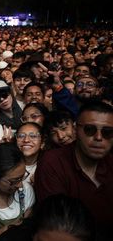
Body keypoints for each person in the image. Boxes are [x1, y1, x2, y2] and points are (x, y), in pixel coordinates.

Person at [34, 101, 113, 239]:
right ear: (76, 129)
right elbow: (56, 229)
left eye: (107, 132)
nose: (99, 138)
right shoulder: (52, 163)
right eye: (89, 129)